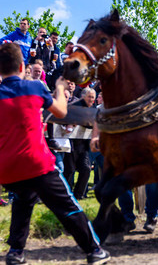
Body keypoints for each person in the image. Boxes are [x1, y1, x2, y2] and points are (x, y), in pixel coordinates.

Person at [0, 43, 110, 265]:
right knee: (67, 206)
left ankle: (15, 251)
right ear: (22, 66)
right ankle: (94, 250)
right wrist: (60, 88)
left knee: (24, 199)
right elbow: (61, 110)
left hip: (7, 169)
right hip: (36, 163)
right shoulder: (34, 87)